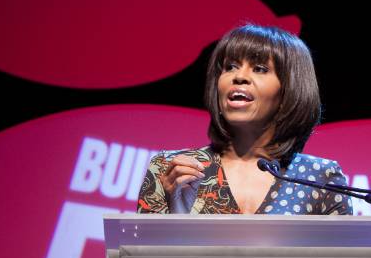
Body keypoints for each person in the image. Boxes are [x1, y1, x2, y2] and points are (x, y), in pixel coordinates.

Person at [137, 24, 353, 215]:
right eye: (230, 66)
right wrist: (178, 215)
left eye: (260, 69)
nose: (239, 77)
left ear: (289, 91)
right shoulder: (172, 169)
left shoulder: (321, 179)